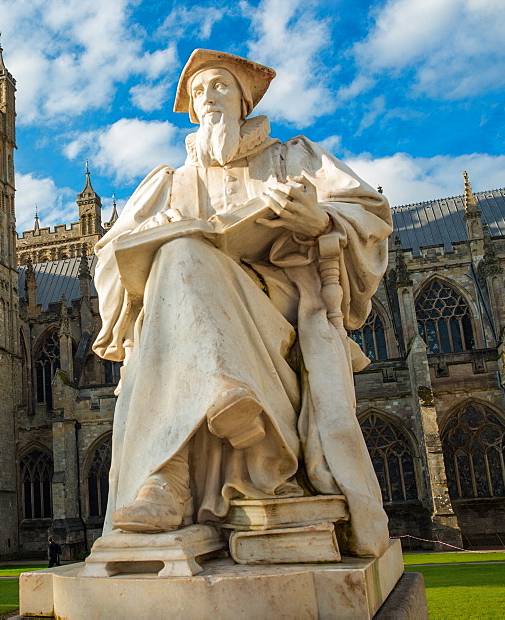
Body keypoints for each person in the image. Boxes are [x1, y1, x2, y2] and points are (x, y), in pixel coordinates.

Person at [91, 49, 392, 557]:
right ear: (190, 106)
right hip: (179, 318)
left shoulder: (291, 159)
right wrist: (149, 233)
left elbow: (369, 212)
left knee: (183, 257)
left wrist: (318, 221)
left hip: (276, 312)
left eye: (220, 86)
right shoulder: (168, 184)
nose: (209, 97)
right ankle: (213, 417)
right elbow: (107, 264)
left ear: (244, 100)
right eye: (200, 90)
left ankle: (168, 479)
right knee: (180, 253)